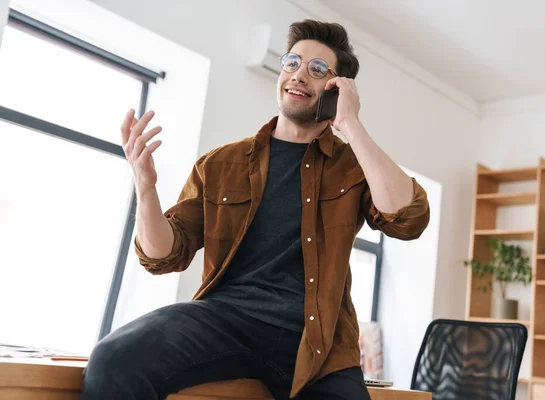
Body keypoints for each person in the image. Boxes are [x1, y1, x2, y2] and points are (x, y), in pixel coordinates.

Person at [81, 19, 430, 400]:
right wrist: (145, 190)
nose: (298, 75)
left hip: (319, 340)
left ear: (336, 88)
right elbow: (163, 256)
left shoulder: (354, 165)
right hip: (224, 320)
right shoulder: (219, 164)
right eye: (292, 62)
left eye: (317, 70)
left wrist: (350, 122)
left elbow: (409, 219)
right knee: (114, 359)